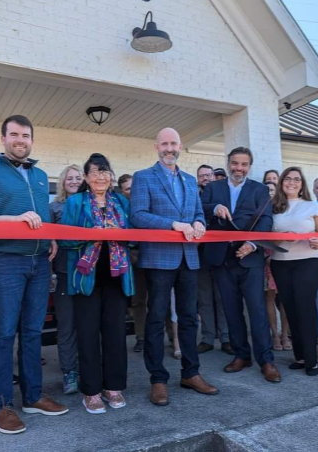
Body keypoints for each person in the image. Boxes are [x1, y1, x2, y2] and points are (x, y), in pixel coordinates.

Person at [0, 115, 67, 434]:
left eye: (26, 135)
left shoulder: (39, 174)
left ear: (32, 140)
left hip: (37, 262)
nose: (20, 140)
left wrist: (49, 235)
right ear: (4, 138)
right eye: (14, 134)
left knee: (33, 332)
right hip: (2, 260)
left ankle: (32, 396)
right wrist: (14, 219)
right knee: (5, 333)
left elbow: (42, 215)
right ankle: (2, 406)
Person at [131, 127, 218, 407]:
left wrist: (198, 223)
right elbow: (138, 215)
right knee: (156, 318)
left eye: (174, 144)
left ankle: (191, 373)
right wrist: (172, 224)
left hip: (188, 257)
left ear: (180, 146)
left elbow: (196, 213)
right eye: (164, 144)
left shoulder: (191, 181)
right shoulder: (144, 177)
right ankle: (158, 379)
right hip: (159, 258)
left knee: (189, 318)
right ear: (157, 147)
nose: (169, 148)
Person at [59, 153, 134, 414]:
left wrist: (118, 233)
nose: (100, 176)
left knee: (115, 334)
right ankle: (90, 391)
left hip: (117, 277)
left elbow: (133, 237)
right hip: (86, 278)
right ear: (86, 177)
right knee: (88, 335)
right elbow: (66, 240)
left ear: (111, 176)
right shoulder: (75, 202)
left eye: (105, 171)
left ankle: (113, 386)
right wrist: (94, 235)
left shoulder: (121, 201)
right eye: (95, 172)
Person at [202, 147, 281, 383]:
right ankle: (241, 355)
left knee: (257, 310)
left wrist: (253, 244)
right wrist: (214, 208)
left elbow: (266, 220)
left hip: (250, 258)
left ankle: (266, 360)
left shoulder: (258, 189)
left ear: (250, 166)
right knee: (231, 309)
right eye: (235, 164)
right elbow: (198, 211)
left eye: (244, 164)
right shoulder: (213, 188)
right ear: (228, 164)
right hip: (221, 258)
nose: (239, 168)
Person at [270, 167, 318, 376]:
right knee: (290, 308)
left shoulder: (313, 206)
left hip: (308, 261)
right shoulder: (273, 207)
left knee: (305, 307)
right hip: (280, 262)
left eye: (296, 179)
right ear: (281, 182)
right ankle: (300, 356)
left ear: (302, 184)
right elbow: (265, 235)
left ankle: (312, 360)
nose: (291, 183)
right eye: (287, 179)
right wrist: (282, 236)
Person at [49, 164, 83, 394]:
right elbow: (48, 241)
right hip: (62, 273)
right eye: (69, 178)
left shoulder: (91, 204)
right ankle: (70, 372)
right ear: (62, 182)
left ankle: (88, 367)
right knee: (67, 326)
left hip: (88, 274)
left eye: (77, 178)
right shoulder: (54, 207)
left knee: (89, 325)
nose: (73, 181)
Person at [196, 165, 231, 355]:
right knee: (204, 298)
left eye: (208, 175)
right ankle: (208, 338)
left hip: (220, 253)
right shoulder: (194, 197)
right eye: (201, 176)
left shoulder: (222, 194)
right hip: (200, 254)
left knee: (221, 297)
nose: (205, 179)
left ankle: (226, 338)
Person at [118, 174, 148, 353]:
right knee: (138, 300)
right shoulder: (121, 206)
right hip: (132, 256)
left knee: (161, 298)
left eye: (134, 187)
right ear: (122, 191)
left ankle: (170, 335)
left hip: (152, 253)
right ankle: (141, 337)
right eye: (128, 189)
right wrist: (130, 253)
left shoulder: (146, 201)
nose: (132, 192)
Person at [264, 182, 291, 351]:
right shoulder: (260, 210)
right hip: (266, 257)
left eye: (272, 190)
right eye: (266, 190)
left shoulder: (285, 209)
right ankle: (275, 335)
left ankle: (285, 335)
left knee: (285, 300)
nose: (270, 193)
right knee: (270, 297)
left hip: (285, 256)